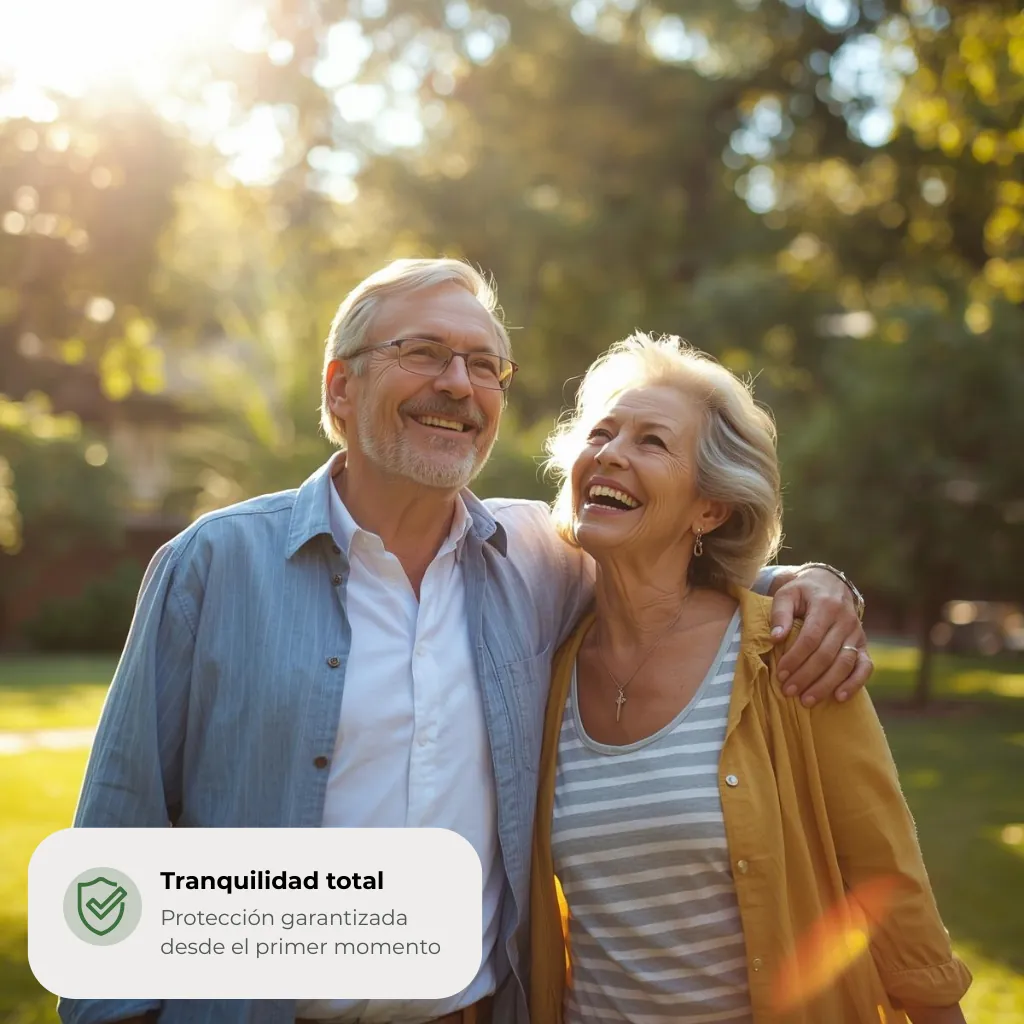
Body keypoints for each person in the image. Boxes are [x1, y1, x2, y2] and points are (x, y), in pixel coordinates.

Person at [58, 260, 870, 1024]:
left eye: (486, 366)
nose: (459, 384)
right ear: (342, 389)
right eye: (425, 353)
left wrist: (811, 582)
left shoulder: (541, 561)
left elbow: (670, 568)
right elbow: (115, 842)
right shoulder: (214, 564)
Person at [529, 333, 971, 1023]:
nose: (611, 452)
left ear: (710, 509)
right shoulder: (544, 667)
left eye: (652, 442)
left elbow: (889, 881)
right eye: (602, 433)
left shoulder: (789, 652)